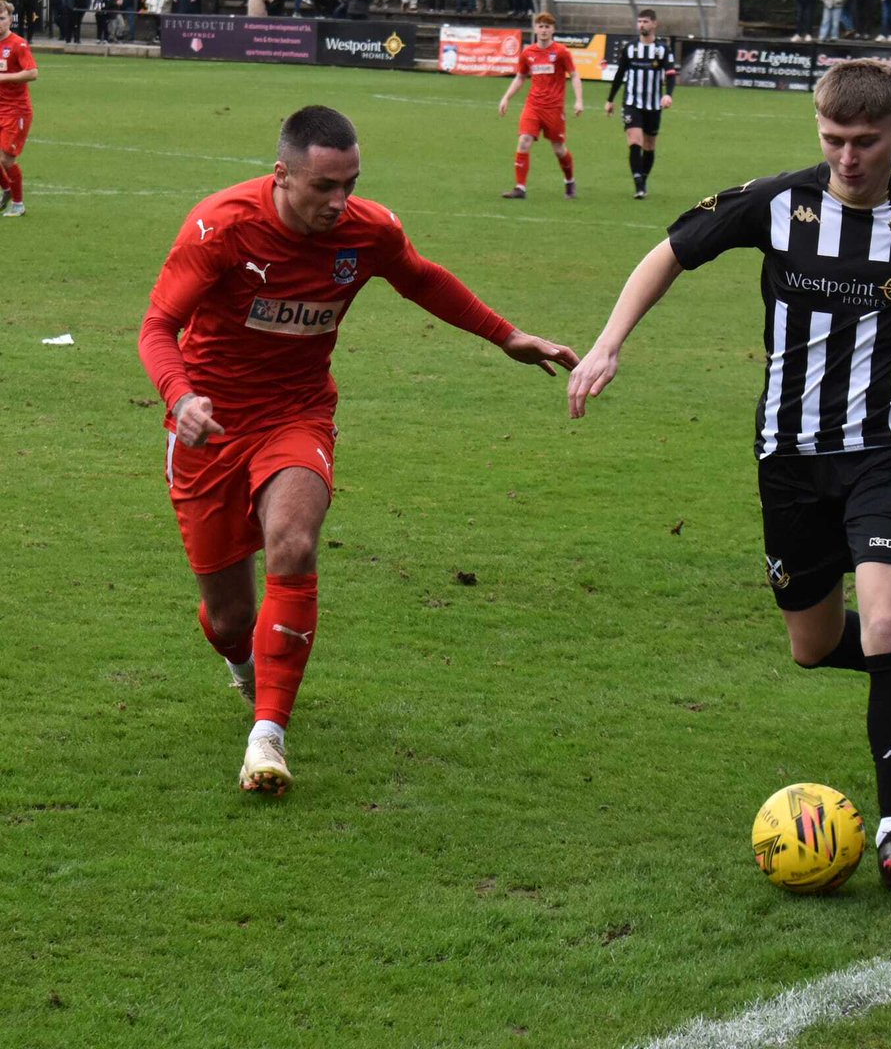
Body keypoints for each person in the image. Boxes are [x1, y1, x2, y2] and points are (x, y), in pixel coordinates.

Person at [567, 57, 891, 891]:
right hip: (789, 456)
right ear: (818, 128)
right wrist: (606, 345)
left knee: (882, 623)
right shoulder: (775, 202)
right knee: (811, 646)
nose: (847, 156)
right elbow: (668, 252)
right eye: (834, 138)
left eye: (865, 141)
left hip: (886, 450)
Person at [137, 105, 578, 794]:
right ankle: (244, 663)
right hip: (210, 426)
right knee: (229, 620)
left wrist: (505, 335)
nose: (339, 202)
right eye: (324, 186)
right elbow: (158, 325)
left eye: (350, 184)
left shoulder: (368, 231)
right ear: (282, 176)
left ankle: (267, 737)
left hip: (298, 413)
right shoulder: (221, 226)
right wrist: (181, 396)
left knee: (293, 544)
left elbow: (420, 277)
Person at [497, 12, 583, 200]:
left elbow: (574, 75)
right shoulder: (528, 53)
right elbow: (520, 77)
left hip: (554, 108)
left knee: (558, 149)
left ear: (553, 30)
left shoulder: (561, 52)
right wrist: (506, 98)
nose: (544, 30)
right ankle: (520, 188)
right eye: (541, 26)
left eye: (547, 27)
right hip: (533, 106)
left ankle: (569, 181)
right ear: (535, 29)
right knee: (524, 140)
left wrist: (579, 100)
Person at [604, 8, 677, 199]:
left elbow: (671, 74)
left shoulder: (663, 49)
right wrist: (610, 100)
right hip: (632, 103)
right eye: (639, 21)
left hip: (653, 105)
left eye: (645, 21)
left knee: (649, 146)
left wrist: (668, 95)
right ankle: (638, 185)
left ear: (654, 24)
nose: (642, 25)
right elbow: (619, 75)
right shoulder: (630, 48)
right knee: (635, 140)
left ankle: (643, 179)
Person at [0, 0, 38, 218]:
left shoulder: (18, 44)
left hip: (16, 110)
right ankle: (6, 189)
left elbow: (32, 73)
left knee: (6, 160)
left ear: (9, 20)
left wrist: (4, 78)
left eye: (2, 18)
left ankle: (18, 204)